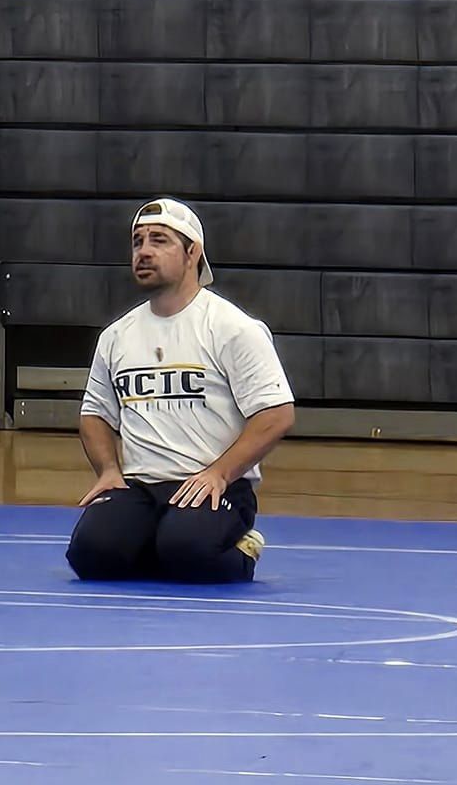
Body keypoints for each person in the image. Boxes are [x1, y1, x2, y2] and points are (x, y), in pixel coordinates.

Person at [67, 198, 295, 584]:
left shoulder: (232, 328)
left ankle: (242, 548)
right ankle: (159, 545)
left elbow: (276, 414)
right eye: (138, 242)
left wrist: (219, 473)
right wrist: (108, 470)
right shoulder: (117, 336)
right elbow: (95, 414)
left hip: (212, 485)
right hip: (140, 487)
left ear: (193, 253)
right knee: (90, 555)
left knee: (188, 552)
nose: (144, 251)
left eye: (159, 240)